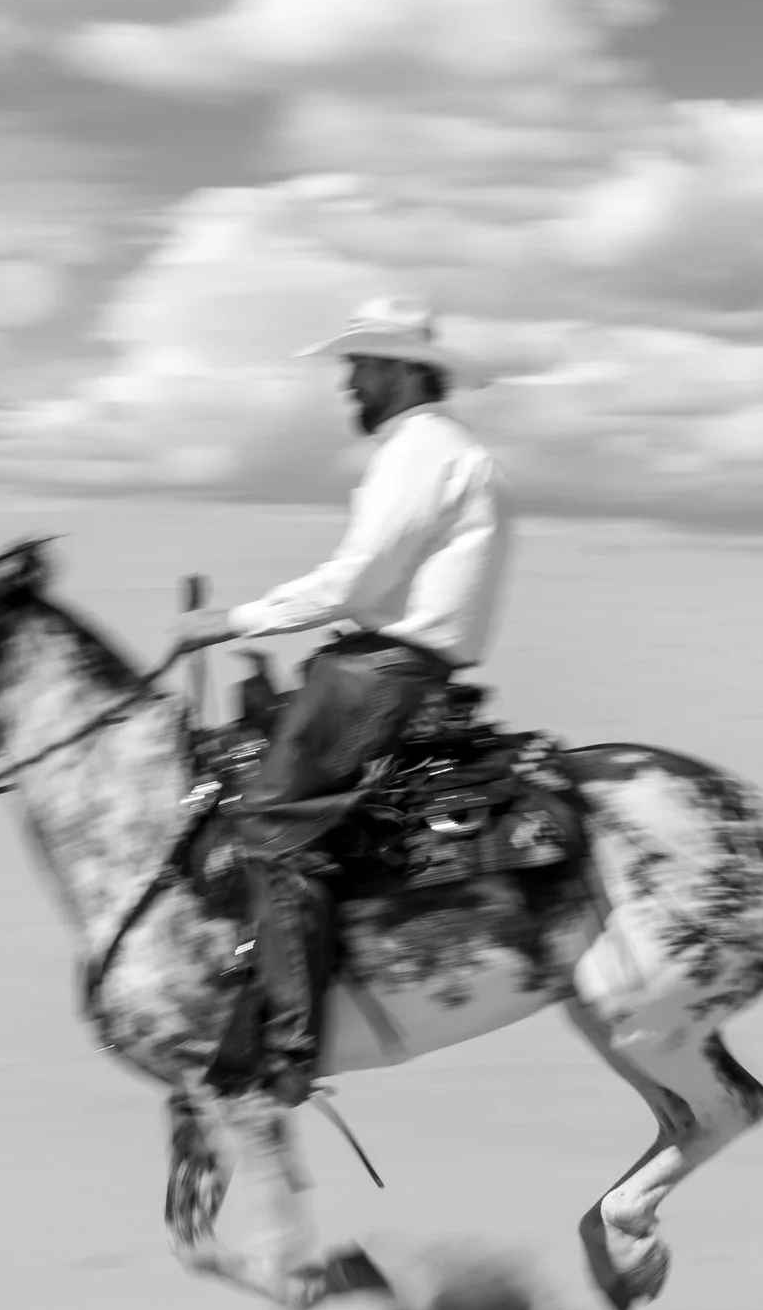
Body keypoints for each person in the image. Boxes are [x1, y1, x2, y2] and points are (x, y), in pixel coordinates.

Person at [171, 295, 514, 1100]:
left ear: (397, 371)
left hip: (378, 669)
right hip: (385, 663)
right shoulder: (441, 449)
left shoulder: (420, 450)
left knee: (267, 827)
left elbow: (356, 579)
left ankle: (290, 1047)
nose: (347, 385)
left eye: (357, 368)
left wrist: (233, 620)